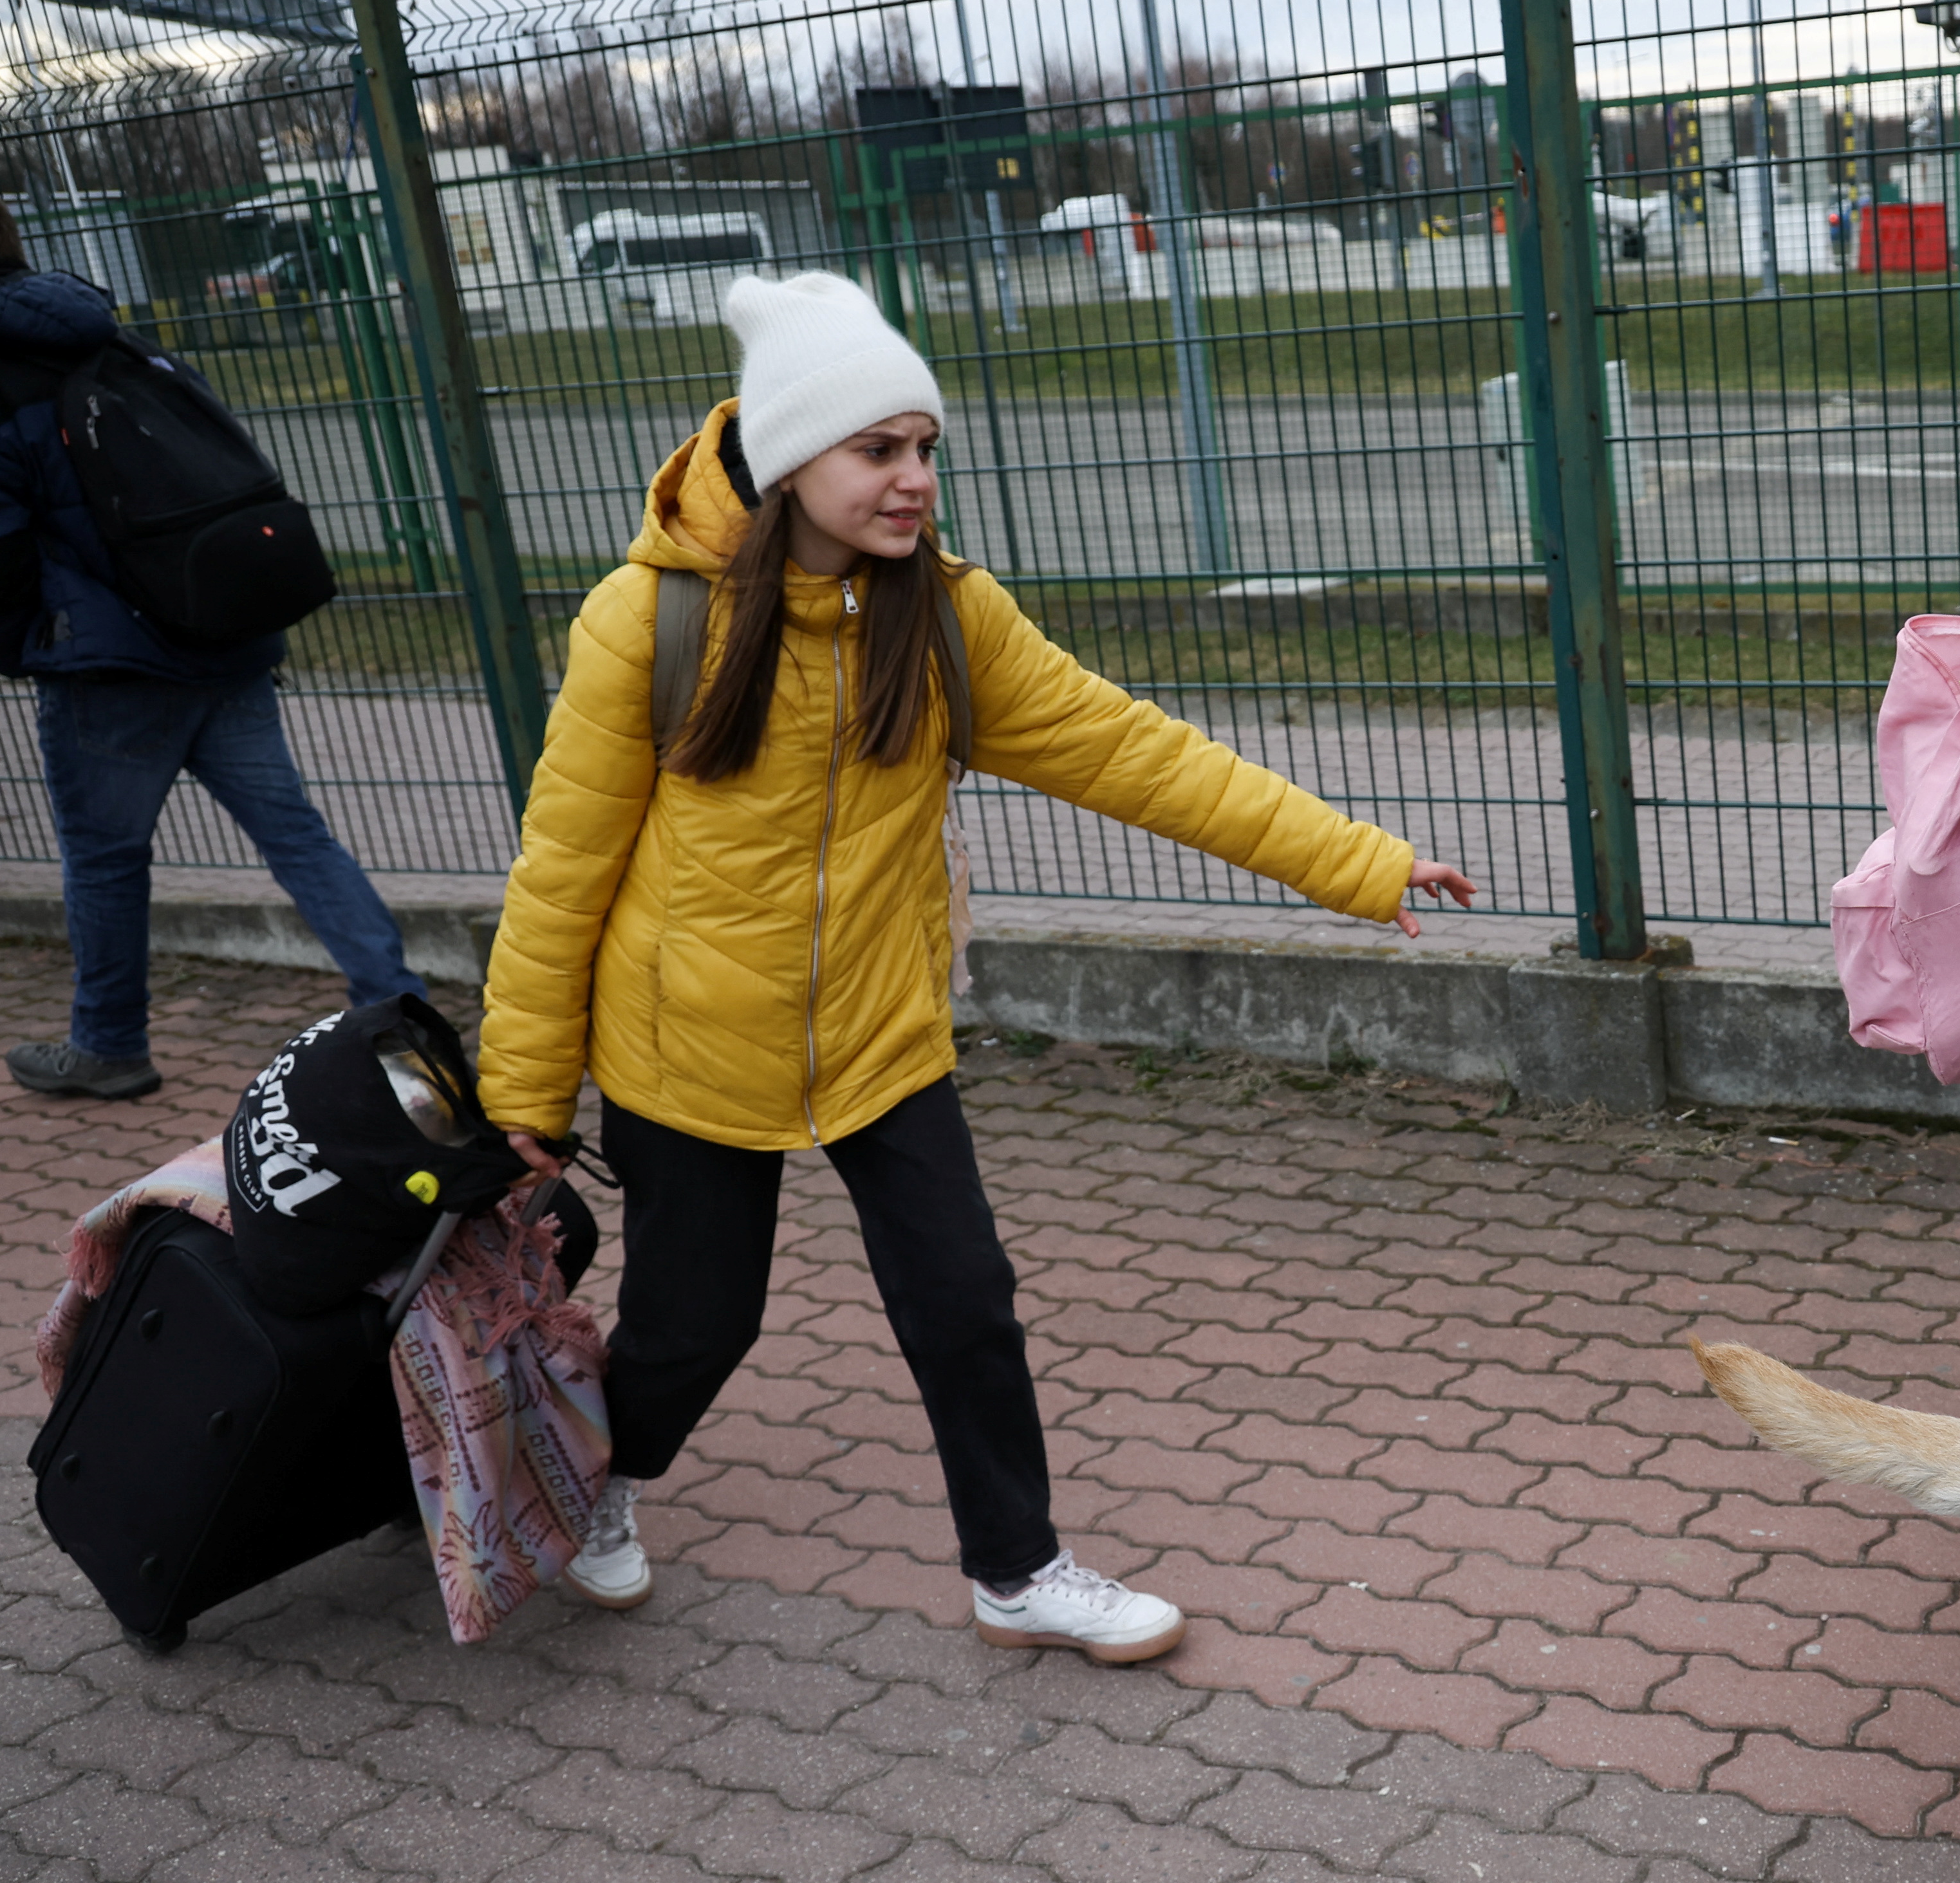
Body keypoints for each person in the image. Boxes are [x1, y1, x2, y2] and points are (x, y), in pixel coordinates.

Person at [476, 272, 1477, 1650]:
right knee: (694, 1326)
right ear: (790, 459)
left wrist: (1355, 861)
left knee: (964, 1304)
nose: (913, 480)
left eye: (924, 448)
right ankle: (601, 1484)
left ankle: (1019, 1569)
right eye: (876, 450)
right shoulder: (647, 623)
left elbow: (1136, 753)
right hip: (686, 1044)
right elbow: (563, 871)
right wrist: (525, 1085)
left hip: (881, 1033)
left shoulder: (944, 616)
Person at [0, 177, 424, 1101]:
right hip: (218, 622)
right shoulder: (110, 332)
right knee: (297, 837)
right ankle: (398, 1011)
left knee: (105, 859)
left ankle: (110, 1046)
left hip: (108, 663)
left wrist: (18, 647)